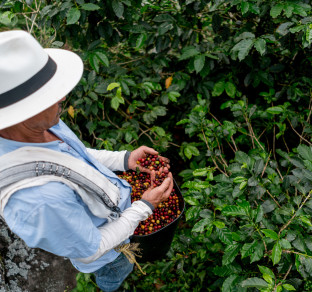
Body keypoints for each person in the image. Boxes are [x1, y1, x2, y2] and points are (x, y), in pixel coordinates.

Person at [0, 30, 173, 292]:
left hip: (120, 213)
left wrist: (124, 160)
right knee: (113, 273)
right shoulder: (38, 200)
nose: (61, 99)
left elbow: (73, 153)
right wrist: (145, 206)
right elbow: (90, 249)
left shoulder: (37, 126)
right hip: (108, 254)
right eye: (50, 96)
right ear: (23, 112)